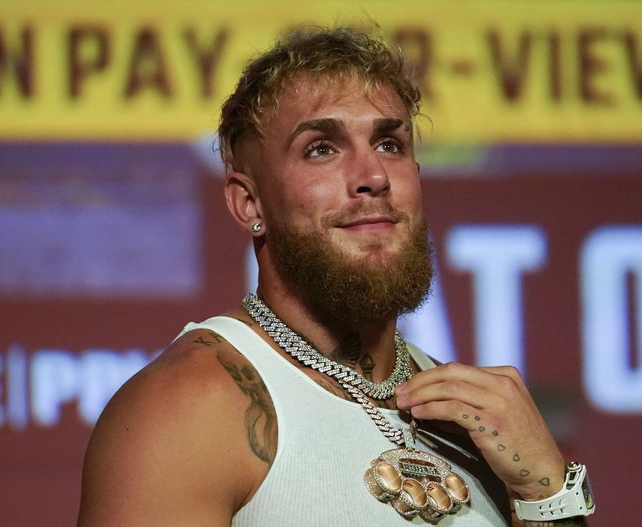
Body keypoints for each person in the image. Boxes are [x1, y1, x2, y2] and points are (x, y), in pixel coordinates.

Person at [77, 26, 593, 526]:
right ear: (249, 202)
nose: (373, 177)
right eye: (321, 148)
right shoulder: (190, 406)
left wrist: (547, 493)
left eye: (389, 144)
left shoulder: (474, 419)